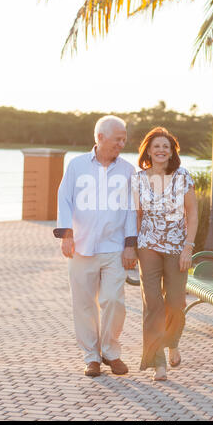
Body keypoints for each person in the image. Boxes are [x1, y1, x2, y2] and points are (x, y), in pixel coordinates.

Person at [53, 115, 137, 377]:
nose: (122, 144)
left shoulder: (127, 170)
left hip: (114, 247)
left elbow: (131, 209)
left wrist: (130, 244)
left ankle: (110, 351)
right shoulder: (77, 165)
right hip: (81, 245)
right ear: (100, 137)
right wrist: (66, 234)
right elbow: (64, 199)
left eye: (124, 139)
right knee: (84, 304)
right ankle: (91, 356)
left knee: (114, 300)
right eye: (118, 139)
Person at [132, 127, 198, 381]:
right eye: (156, 146)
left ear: (172, 152)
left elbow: (192, 214)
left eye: (166, 147)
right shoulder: (138, 179)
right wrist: (131, 246)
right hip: (147, 246)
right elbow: (136, 216)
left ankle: (173, 340)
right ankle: (158, 362)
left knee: (176, 302)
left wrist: (188, 247)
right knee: (153, 304)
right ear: (148, 150)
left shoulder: (183, 176)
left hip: (176, 247)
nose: (161, 150)